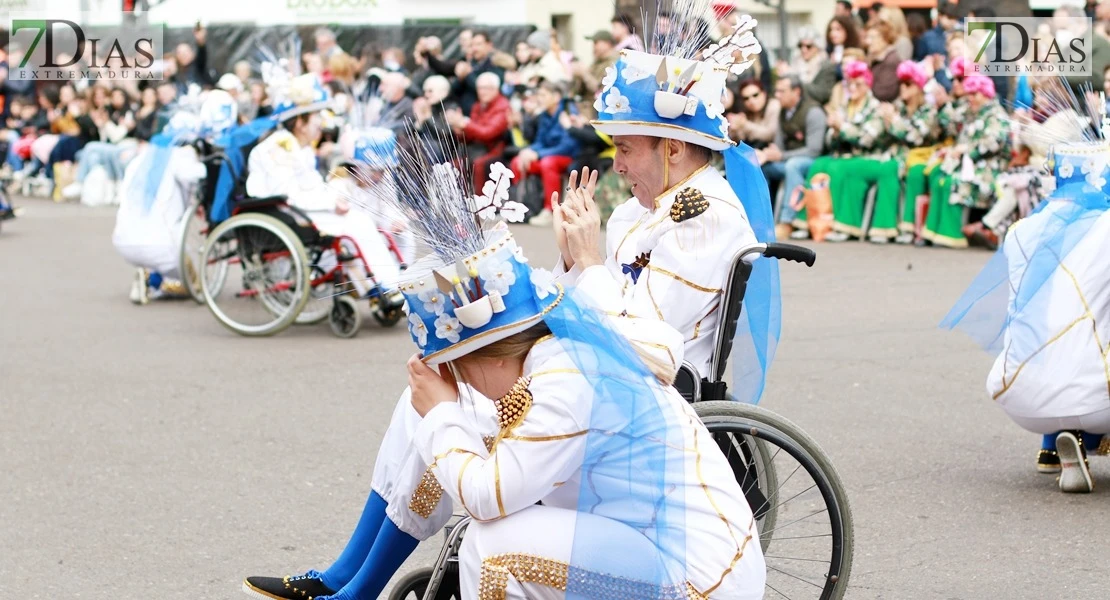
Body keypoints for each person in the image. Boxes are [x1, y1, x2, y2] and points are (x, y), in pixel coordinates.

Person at [241, 11, 781, 600]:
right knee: (423, 402)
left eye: (626, 148)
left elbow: (645, 342)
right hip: (598, 363)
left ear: (674, 148)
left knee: (447, 410)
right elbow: (591, 306)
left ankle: (357, 587)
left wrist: (587, 268)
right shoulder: (635, 209)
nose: (616, 164)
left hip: (646, 382)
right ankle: (349, 576)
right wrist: (569, 267)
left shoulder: (703, 216)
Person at [942, 138, 1110, 493]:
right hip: (1093, 401)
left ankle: (1054, 446)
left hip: (1017, 395)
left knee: (1055, 326)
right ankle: (1092, 437)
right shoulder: (1105, 228)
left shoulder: (1020, 232)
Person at [245, 73, 403, 300]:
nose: (321, 121)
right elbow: (290, 195)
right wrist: (331, 202)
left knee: (360, 217)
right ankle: (387, 283)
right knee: (358, 222)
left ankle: (378, 282)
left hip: (302, 207)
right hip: (288, 212)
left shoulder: (298, 147)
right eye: (316, 116)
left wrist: (333, 198)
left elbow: (309, 187)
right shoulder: (277, 150)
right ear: (300, 123)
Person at [922, 75, 1010, 248]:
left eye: (975, 94)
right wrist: (942, 106)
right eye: (969, 94)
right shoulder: (971, 112)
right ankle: (931, 232)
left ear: (986, 94)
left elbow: (993, 143)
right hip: (967, 166)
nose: (970, 98)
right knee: (938, 177)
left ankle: (951, 235)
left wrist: (966, 151)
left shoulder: (997, 115)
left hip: (989, 170)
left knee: (952, 182)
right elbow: (951, 124)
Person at [758, 75, 827, 239]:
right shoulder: (784, 112)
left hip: (815, 163)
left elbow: (814, 150)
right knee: (763, 167)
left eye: (782, 91)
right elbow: (779, 146)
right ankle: (761, 219)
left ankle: (788, 221)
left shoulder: (814, 112)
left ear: (796, 92)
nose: (777, 95)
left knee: (793, 165)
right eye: (777, 90)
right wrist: (769, 154)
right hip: (790, 160)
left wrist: (781, 155)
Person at [885, 60, 940, 244]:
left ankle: (908, 227)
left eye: (907, 84)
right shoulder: (898, 107)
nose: (902, 88)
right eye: (901, 83)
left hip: (920, 156)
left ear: (918, 86)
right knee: (886, 169)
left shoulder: (928, 110)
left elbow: (915, 136)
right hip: (898, 156)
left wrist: (892, 122)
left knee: (913, 172)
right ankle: (887, 226)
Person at [509, 80, 578, 227]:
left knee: (548, 163)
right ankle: (521, 206)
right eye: (539, 94)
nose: (540, 98)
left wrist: (538, 154)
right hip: (549, 154)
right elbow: (540, 141)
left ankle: (550, 209)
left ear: (556, 97)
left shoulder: (568, 112)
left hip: (568, 156)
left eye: (543, 94)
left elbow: (568, 145)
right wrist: (529, 151)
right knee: (518, 160)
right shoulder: (544, 115)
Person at [446, 71, 511, 192]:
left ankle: (480, 205)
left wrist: (465, 124)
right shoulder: (477, 106)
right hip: (475, 150)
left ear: (496, 88)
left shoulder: (503, 106)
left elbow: (488, 133)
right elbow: (470, 135)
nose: (482, 92)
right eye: (479, 88)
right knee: (450, 167)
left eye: (486, 88)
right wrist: (459, 129)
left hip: (494, 151)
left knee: (478, 164)